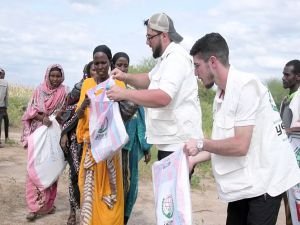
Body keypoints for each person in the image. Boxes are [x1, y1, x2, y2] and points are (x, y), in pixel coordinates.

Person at [184, 32, 300, 225]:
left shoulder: (246, 87)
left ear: (212, 62)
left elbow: (239, 146)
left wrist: (200, 143)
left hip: (265, 182)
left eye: (197, 66)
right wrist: (193, 158)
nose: (195, 73)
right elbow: (221, 144)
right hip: (245, 182)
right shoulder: (221, 96)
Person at [107, 12, 203, 161]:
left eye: (149, 37)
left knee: (174, 185)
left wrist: (124, 93)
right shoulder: (165, 59)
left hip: (178, 144)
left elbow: (163, 97)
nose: (147, 42)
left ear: (163, 36)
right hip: (170, 142)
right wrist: (124, 76)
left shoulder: (176, 59)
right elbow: (149, 79)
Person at [76, 45, 125, 225]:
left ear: (110, 63)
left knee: (110, 196)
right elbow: (79, 115)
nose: (99, 67)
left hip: (109, 149)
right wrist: (84, 105)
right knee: (88, 190)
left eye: (103, 62)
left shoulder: (117, 85)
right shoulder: (87, 85)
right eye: (96, 63)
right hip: (91, 147)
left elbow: (124, 115)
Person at [21, 64, 67, 221]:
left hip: (53, 136)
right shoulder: (39, 90)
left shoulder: (64, 92)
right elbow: (30, 111)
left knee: (50, 168)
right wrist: (43, 118)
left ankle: (47, 206)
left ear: (62, 77)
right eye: (52, 76)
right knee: (34, 168)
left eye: (58, 76)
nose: (55, 79)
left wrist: (55, 118)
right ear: (47, 76)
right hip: (38, 135)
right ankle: (33, 207)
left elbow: (66, 113)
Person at [112, 52, 151, 224]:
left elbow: (141, 119)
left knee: (131, 185)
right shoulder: (110, 89)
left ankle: (124, 217)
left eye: (125, 65)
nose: (122, 68)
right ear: (112, 66)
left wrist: (146, 146)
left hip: (132, 146)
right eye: (119, 65)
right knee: (118, 185)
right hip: (116, 147)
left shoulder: (133, 91)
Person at [60, 61, 96, 225]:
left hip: (94, 140)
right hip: (76, 139)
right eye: (93, 69)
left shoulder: (105, 87)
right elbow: (67, 112)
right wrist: (65, 133)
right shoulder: (78, 89)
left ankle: (89, 213)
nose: (96, 71)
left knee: (92, 179)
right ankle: (73, 211)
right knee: (75, 175)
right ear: (87, 72)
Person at [280, 59, 300, 225]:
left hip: (296, 164)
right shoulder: (287, 99)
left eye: (287, 74)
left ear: (298, 77)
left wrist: (286, 131)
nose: (283, 77)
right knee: (290, 209)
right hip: (287, 162)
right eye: (283, 74)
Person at [0, 68, 9, 146]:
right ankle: (6, 138)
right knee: (6, 121)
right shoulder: (5, 83)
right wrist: (6, 106)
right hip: (2, 107)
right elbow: (6, 96)